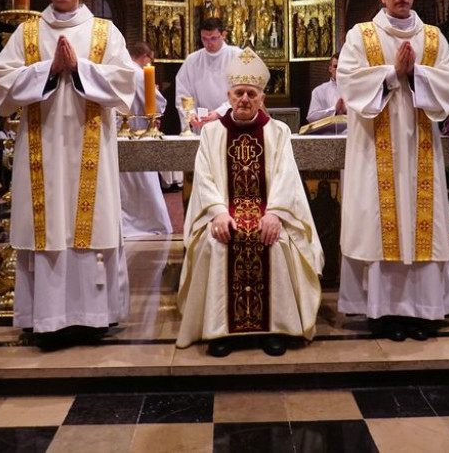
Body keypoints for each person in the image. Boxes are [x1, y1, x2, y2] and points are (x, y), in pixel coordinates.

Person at [0, 0, 137, 350]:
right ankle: (46, 320)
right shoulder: (27, 32)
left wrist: (81, 68)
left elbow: (126, 84)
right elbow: (1, 83)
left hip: (92, 151)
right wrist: (49, 71)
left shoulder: (105, 32)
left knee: (89, 229)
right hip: (42, 151)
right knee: (48, 230)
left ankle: (93, 319)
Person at [337, 0, 449, 342]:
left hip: (420, 148)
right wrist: (393, 74)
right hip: (375, 152)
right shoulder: (361, 35)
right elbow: (349, 81)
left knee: (422, 228)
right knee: (380, 228)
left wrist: (416, 74)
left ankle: (424, 313)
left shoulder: (433, 37)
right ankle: (384, 314)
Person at [177, 48, 324, 357]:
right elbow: (203, 177)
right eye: (239, 93)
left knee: (277, 242)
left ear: (262, 98)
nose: (244, 99)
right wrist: (217, 213)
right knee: (216, 243)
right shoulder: (212, 132)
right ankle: (219, 329)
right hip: (224, 213)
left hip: (268, 212)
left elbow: (286, 177)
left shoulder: (278, 131)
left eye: (251, 94)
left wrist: (276, 214)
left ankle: (275, 328)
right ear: (228, 96)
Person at [119, 42, 172, 238]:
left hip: (117, 134)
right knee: (143, 183)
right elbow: (159, 105)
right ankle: (153, 223)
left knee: (123, 185)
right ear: (144, 57)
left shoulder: (116, 70)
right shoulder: (140, 75)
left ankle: (123, 225)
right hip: (138, 132)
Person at [175, 17, 243, 131]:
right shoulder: (192, 60)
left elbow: (243, 92)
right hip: (203, 123)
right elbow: (183, 92)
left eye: (213, 38)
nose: (209, 43)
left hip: (231, 121)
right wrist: (190, 114)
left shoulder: (238, 56)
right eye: (204, 39)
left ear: (223, 35)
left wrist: (219, 112)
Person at [305, 53, 347, 135]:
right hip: (327, 135)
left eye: (342, 67)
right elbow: (312, 117)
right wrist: (334, 109)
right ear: (330, 68)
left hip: (349, 134)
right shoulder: (318, 91)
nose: (338, 70)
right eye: (336, 66)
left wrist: (348, 111)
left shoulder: (355, 89)